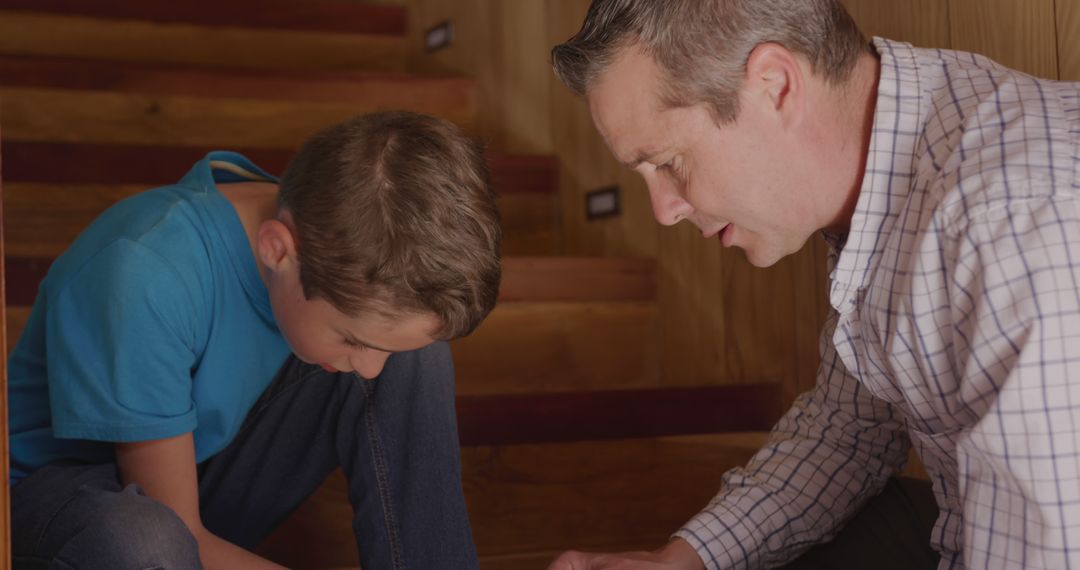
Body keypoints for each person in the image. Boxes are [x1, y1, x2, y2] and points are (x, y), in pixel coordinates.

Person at [548, 0, 1080, 568]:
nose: (664, 211)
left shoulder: (1010, 224)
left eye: (670, 162)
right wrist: (682, 560)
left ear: (775, 85)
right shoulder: (890, 184)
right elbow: (847, 432)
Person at [8, 111, 501, 569]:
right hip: (61, 508)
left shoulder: (329, 241)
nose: (369, 369)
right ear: (276, 248)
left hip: (195, 482)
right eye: (351, 339)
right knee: (148, 540)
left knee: (414, 359)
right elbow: (174, 531)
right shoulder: (145, 271)